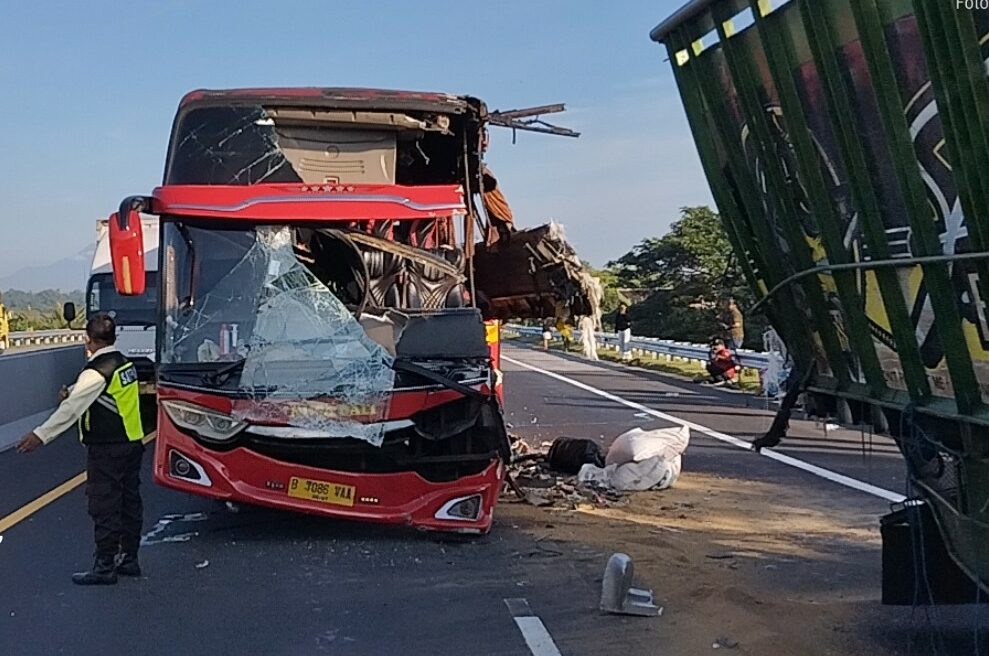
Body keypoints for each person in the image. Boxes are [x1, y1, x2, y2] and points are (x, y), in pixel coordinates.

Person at [16, 313, 145, 585]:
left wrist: (40, 435)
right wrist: (74, 390)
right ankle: (129, 558)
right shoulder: (124, 363)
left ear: (87, 340)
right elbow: (99, 393)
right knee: (128, 502)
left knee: (104, 505)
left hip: (107, 448)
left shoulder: (95, 370)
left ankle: (105, 566)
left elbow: (71, 410)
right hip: (132, 443)